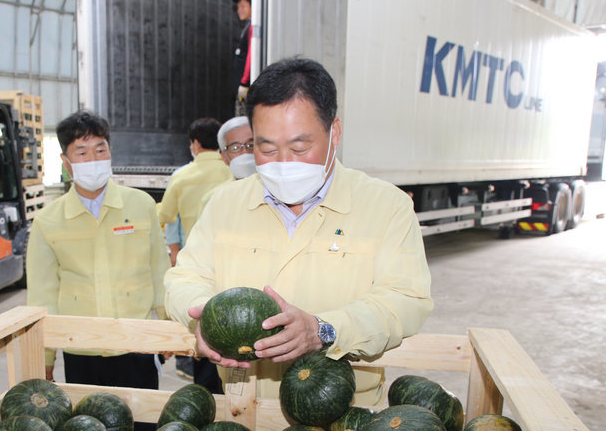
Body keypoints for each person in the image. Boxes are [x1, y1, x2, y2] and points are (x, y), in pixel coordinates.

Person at [165, 57, 433, 406]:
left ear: (334, 132)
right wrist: (205, 317)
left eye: (300, 147)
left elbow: (405, 302)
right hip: (244, 411)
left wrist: (325, 329)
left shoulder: (387, 208)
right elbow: (183, 278)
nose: (283, 162)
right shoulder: (224, 203)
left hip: (343, 419)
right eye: (266, 148)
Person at [26, 110, 170, 394]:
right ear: (66, 163)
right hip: (81, 350)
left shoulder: (140, 206)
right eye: (81, 152)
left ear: (110, 152)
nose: (93, 160)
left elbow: (160, 272)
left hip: (137, 344)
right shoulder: (49, 221)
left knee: (143, 430)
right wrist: (43, 356)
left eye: (100, 150)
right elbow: (42, 296)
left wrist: (168, 331)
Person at [159, 118, 233, 265]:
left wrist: (174, 251)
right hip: (228, 252)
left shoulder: (180, 176)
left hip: (194, 253)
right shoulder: (231, 172)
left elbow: (167, 217)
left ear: (196, 143)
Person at [232, 0, 254, 116]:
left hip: (244, 86)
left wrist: (244, 83)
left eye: (243, 6)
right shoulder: (247, 26)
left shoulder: (252, 26)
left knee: (241, 118)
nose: (239, 10)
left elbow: (251, 54)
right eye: (238, 6)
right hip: (241, 85)